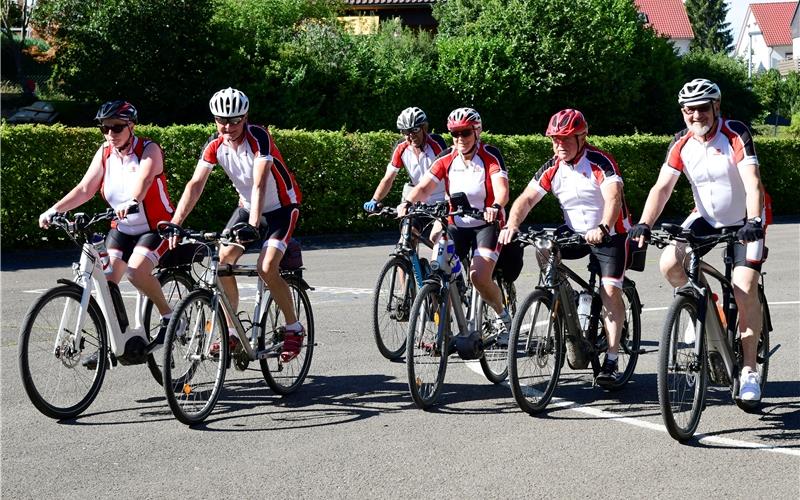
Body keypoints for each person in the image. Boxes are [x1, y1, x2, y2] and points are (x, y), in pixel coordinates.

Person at [630, 78, 768, 402]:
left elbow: (753, 182)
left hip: (745, 219)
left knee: (744, 286)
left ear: (716, 107)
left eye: (702, 108)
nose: (696, 116)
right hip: (706, 217)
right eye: (689, 110)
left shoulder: (735, 134)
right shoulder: (681, 143)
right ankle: (702, 309)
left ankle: (748, 372)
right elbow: (662, 188)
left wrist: (754, 221)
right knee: (669, 262)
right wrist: (643, 223)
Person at [169, 87, 305, 362]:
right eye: (221, 120)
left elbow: (260, 181)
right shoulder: (214, 145)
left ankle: (293, 328)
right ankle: (231, 331)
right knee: (222, 263)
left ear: (245, 118)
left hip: (281, 208)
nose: (228, 127)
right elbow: (195, 185)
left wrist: (254, 224)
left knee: (266, 267)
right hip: (246, 207)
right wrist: (175, 222)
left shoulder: (259, 137)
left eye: (234, 120)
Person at [498, 108, 632, 386]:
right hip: (574, 230)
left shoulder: (599, 162)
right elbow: (525, 200)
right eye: (555, 139)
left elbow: (613, 197)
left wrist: (605, 226)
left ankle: (611, 359)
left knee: (609, 291)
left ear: (583, 136)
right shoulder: (553, 167)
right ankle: (563, 295)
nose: (559, 145)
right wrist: (511, 224)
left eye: (566, 139)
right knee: (542, 247)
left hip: (610, 233)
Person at [38, 100, 177, 366]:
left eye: (116, 128)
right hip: (122, 228)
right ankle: (115, 342)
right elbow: (85, 189)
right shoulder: (105, 152)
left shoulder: (149, 149)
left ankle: (169, 317)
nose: (110, 134)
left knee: (136, 272)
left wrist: (132, 201)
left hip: (155, 228)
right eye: (105, 128)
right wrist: (54, 209)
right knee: (106, 279)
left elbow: (145, 180)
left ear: (131, 126)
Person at [399, 107, 512, 339]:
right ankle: (445, 333)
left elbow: (502, 190)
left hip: (486, 224)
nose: (460, 138)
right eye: (455, 133)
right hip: (456, 223)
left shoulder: (490, 155)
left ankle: (503, 316)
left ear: (476, 131)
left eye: (465, 133)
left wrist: (495, 207)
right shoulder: (447, 157)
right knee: (438, 267)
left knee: (479, 277)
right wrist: (407, 202)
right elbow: (425, 186)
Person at [364, 106, 447, 211]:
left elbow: (450, 172)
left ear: (424, 128)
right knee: (408, 226)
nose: (411, 135)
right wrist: (375, 199)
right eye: (406, 132)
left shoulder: (436, 143)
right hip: (419, 199)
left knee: (440, 227)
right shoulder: (401, 148)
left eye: (415, 130)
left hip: (442, 199)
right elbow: (388, 178)